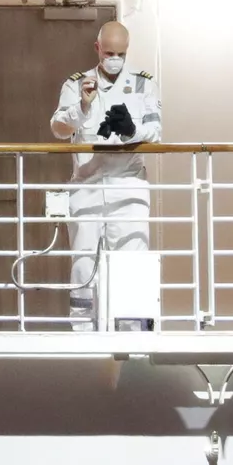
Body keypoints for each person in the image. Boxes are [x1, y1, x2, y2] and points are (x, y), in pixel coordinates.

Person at [49, 21, 162, 329]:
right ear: (97, 48)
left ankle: (133, 335)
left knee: (131, 264)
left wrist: (131, 130)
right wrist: (82, 109)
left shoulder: (144, 84)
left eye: (120, 54)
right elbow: (58, 129)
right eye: (109, 53)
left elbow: (156, 132)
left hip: (129, 186)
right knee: (84, 265)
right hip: (87, 186)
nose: (115, 59)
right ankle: (83, 334)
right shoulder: (77, 84)